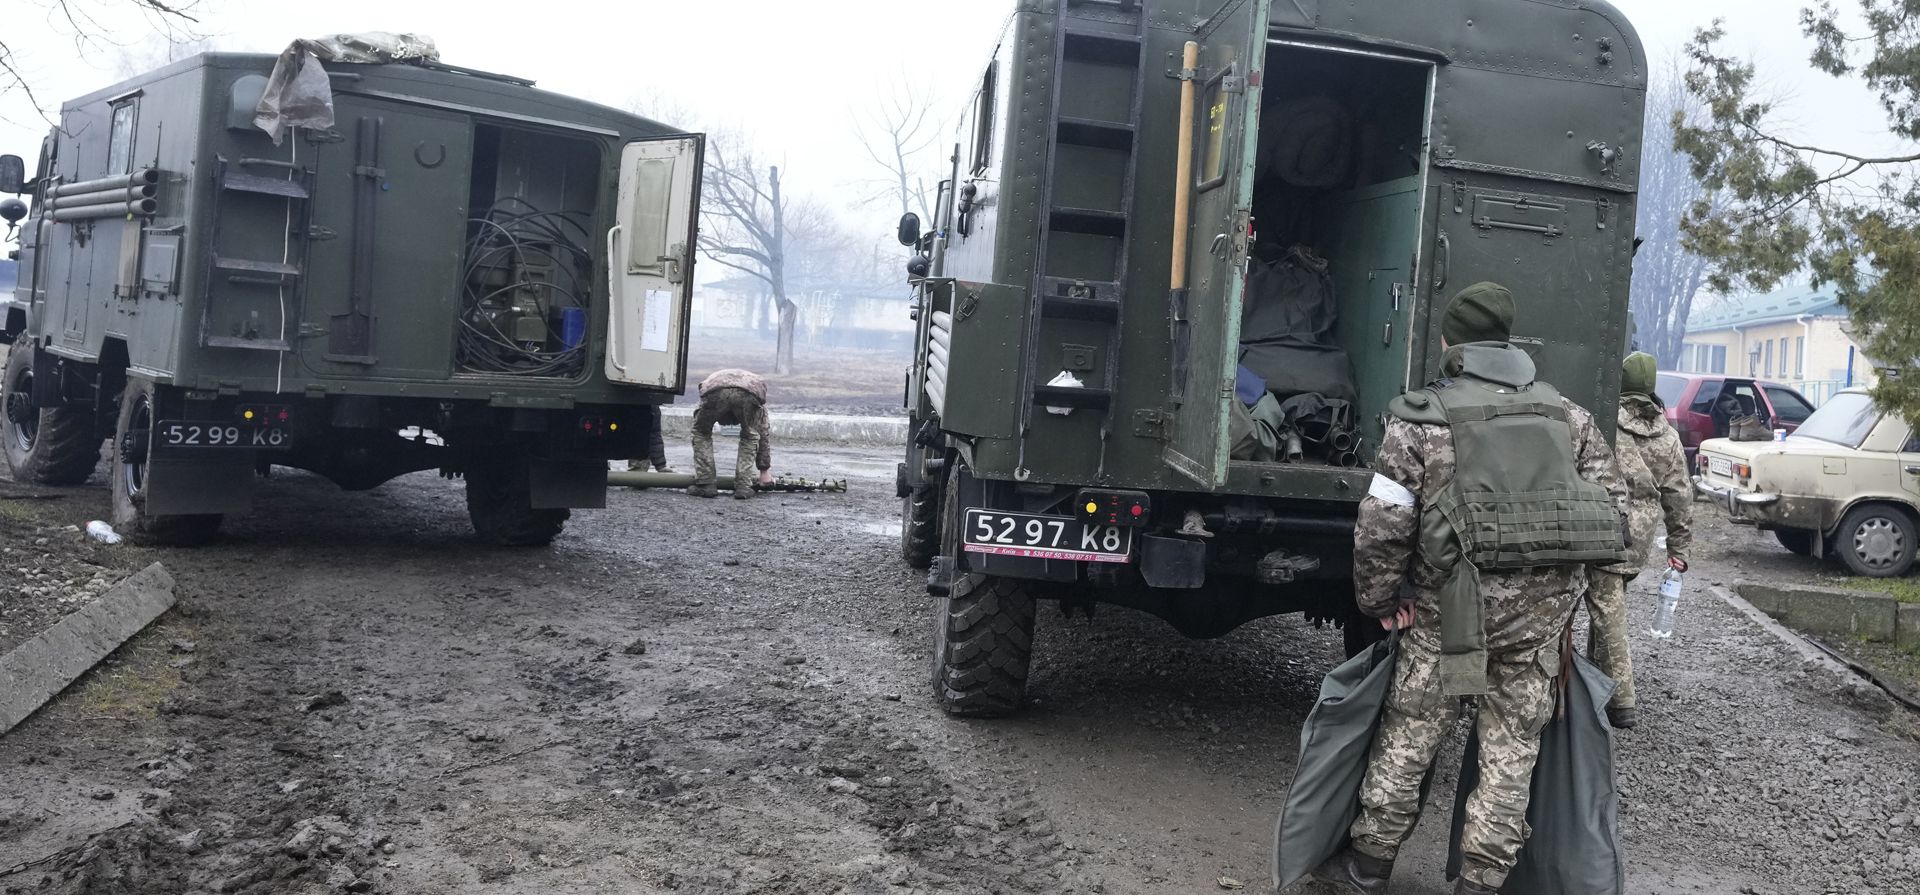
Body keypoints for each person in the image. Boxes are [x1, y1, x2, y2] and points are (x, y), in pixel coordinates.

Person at [1313, 282, 1627, 895]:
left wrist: (1380, 599)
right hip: (1539, 625)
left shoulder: (1420, 420)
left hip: (1445, 614)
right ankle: (1481, 883)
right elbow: (1614, 519)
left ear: (1450, 342)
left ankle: (1367, 866)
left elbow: (1381, 528)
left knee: (1413, 730)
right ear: (1508, 340)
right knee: (1512, 750)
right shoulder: (1571, 419)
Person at [1588, 351, 1692, 729]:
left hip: (1605, 529)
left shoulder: (1602, 421)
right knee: (1607, 607)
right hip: (1639, 541)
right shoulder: (1668, 436)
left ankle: (1622, 702)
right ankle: (1594, 686)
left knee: (1607, 615)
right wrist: (1679, 550)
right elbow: (1680, 497)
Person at [689, 368, 775, 500]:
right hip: (749, 393)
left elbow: (699, 417)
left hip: (714, 390)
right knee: (751, 435)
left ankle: (706, 485)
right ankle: (743, 487)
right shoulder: (758, 402)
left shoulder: (713, 382)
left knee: (701, 432)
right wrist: (764, 471)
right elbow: (762, 434)